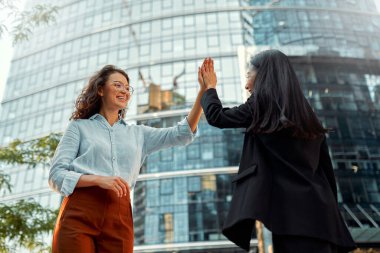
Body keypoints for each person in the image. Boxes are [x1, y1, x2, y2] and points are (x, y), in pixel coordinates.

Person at [199, 52, 356, 253]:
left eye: (248, 76)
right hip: (322, 216)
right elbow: (326, 171)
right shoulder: (306, 112)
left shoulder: (262, 104)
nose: (247, 85)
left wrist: (209, 87)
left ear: (263, 75)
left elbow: (217, 116)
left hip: (292, 219)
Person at [49, 64, 205, 253]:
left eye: (127, 87)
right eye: (117, 85)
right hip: (80, 210)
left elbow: (182, 133)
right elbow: (56, 176)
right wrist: (98, 179)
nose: (124, 91)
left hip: (119, 214)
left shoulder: (139, 133)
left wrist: (203, 91)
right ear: (100, 90)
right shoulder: (79, 127)